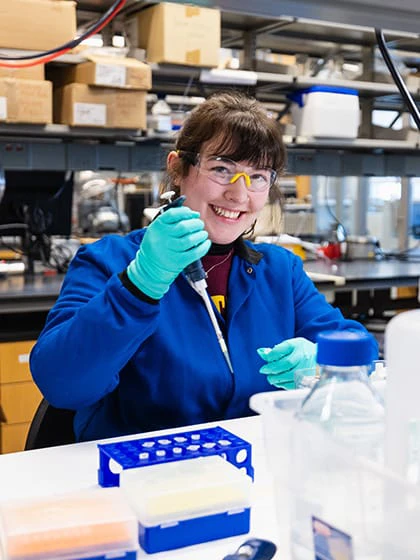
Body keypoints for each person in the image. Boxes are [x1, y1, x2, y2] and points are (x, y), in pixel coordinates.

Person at [30, 91, 377, 442]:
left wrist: (324, 362)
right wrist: (140, 284)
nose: (239, 195)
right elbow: (62, 383)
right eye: (222, 169)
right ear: (178, 168)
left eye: (257, 176)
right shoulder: (110, 261)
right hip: (141, 477)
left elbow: (361, 349)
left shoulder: (280, 271)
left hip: (249, 471)